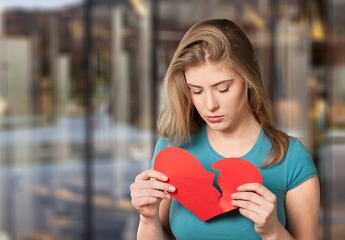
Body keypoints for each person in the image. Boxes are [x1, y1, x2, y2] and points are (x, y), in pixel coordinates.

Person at [130, 19, 320, 240]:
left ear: (248, 80)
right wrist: (147, 218)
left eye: (223, 88)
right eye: (196, 91)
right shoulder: (173, 149)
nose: (210, 105)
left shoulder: (291, 158)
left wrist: (272, 231)